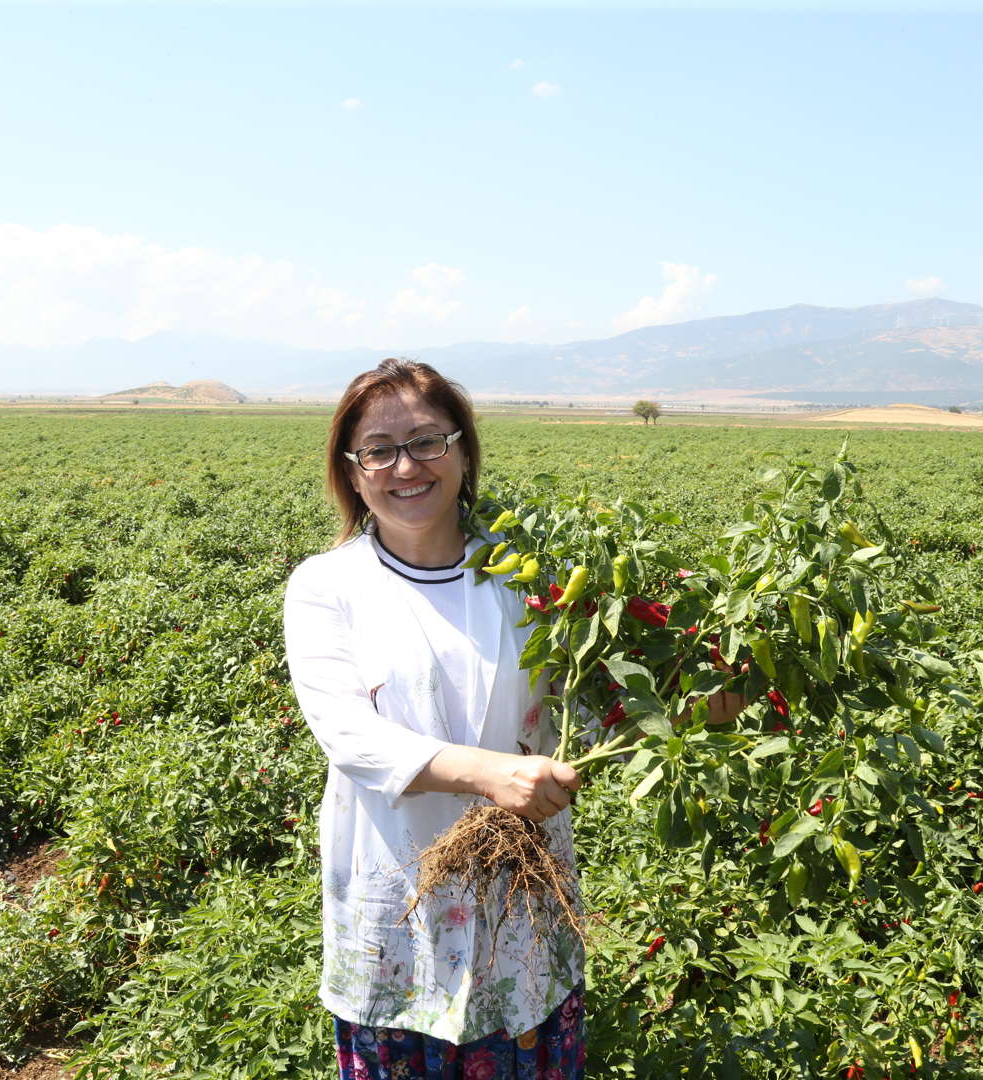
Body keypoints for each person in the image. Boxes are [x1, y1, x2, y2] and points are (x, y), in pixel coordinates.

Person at [283, 359, 743, 1078]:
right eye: (378, 449)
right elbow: (348, 734)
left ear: (464, 451)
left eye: (428, 441)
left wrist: (693, 710)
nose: (405, 465)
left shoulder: (528, 577)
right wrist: (493, 775)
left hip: (523, 895)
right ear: (352, 470)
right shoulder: (328, 586)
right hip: (396, 898)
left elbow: (593, 717)